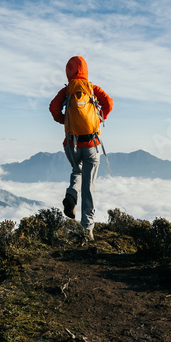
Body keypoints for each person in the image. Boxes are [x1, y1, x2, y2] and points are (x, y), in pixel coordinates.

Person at [49, 56, 113, 241]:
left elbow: (53, 108)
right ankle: (87, 229)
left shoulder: (66, 90)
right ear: (85, 70)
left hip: (71, 144)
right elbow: (108, 103)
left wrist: (64, 121)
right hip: (91, 144)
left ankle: (71, 195)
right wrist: (101, 118)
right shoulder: (92, 89)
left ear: (68, 71)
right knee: (89, 186)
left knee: (77, 170)